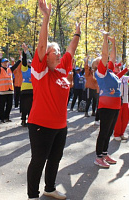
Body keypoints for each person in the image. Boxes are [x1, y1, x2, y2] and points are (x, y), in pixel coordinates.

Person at [26, 0, 81, 199]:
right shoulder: (40, 72)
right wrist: (46, 17)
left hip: (60, 125)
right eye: (54, 52)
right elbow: (42, 44)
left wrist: (77, 32)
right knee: (39, 160)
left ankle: (49, 188)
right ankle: (32, 195)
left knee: (55, 158)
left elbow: (71, 49)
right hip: (41, 124)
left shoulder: (61, 70)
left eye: (58, 51)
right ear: (45, 56)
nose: (58, 54)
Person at [94, 31, 121, 168]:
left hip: (115, 107)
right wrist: (105, 39)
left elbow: (112, 57)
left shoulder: (110, 71)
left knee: (109, 132)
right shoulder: (101, 72)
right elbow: (105, 55)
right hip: (106, 107)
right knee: (104, 132)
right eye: (102, 61)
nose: (105, 61)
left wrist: (114, 43)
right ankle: (98, 157)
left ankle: (105, 153)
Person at [114, 64, 129, 141]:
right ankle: (116, 134)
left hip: (125, 101)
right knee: (118, 119)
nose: (118, 68)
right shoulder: (113, 77)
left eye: (119, 67)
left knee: (126, 118)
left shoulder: (124, 78)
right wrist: (126, 69)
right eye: (117, 67)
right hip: (117, 101)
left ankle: (122, 133)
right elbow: (117, 76)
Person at [0, 54, 21, 123]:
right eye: (4, 62)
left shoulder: (10, 69)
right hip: (2, 90)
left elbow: (15, 65)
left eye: (7, 62)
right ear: (1, 63)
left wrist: (20, 59)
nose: (6, 63)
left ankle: (7, 117)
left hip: (10, 90)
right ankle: (2, 118)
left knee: (9, 105)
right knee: (2, 105)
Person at [20, 43, 34, 127]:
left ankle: (30, 120)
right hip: (25, 90)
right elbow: (24, 62)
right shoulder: (24, 69)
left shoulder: (34, 70)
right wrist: (24, 52)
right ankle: (23, 120)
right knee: (24, 106)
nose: (30, 63)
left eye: (30, 62)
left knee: (31, 106)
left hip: (32, 90)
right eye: (29, 62)